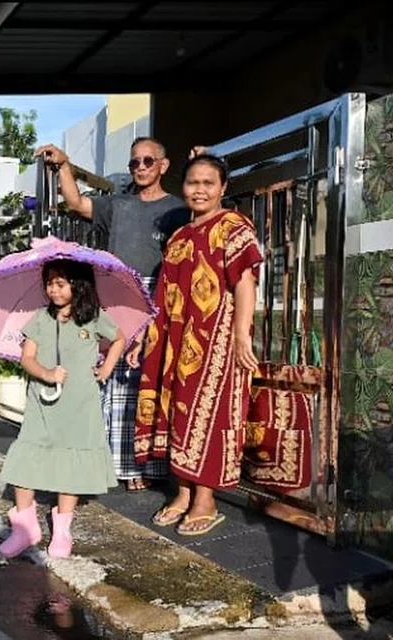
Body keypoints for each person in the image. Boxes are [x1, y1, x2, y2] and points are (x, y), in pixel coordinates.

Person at [33, 138, 191, 492]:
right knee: (119, 383)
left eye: (148, 161)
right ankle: (123, 465)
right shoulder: (117, 204)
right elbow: (75, 202)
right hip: (119, 294)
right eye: (135, 162)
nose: (141, 167)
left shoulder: (179, 210)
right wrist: (63, 164)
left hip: (162, 296)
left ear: (163, 165)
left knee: (155, 380)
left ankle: (155, 465)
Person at [134, 154, 263, 536]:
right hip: (175, 340)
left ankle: (205, 498)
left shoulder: (234, 228)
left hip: (216, 338)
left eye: (209, 183)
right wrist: (144, 334)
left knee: (208, 417)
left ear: (223, 188)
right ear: (183, 187)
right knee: (177, 412)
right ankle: (183, 490)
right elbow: (163, 293)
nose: (200, 189)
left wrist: (241, 335)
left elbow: (244, 282)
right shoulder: (178, 237)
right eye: (193, 182)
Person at [0, 259, 126, 560]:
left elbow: (119, 339)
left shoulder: (92, 317)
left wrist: (106, 367)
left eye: (60, 283)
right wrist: (46, 373)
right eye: (49, 283)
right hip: (43, 401)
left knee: (72, 459)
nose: (53, 290)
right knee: (26, 458)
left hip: (80, 403)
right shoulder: (40, 318)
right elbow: (27, 357)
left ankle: (63, 527)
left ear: (77, 284)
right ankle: (25, 526)